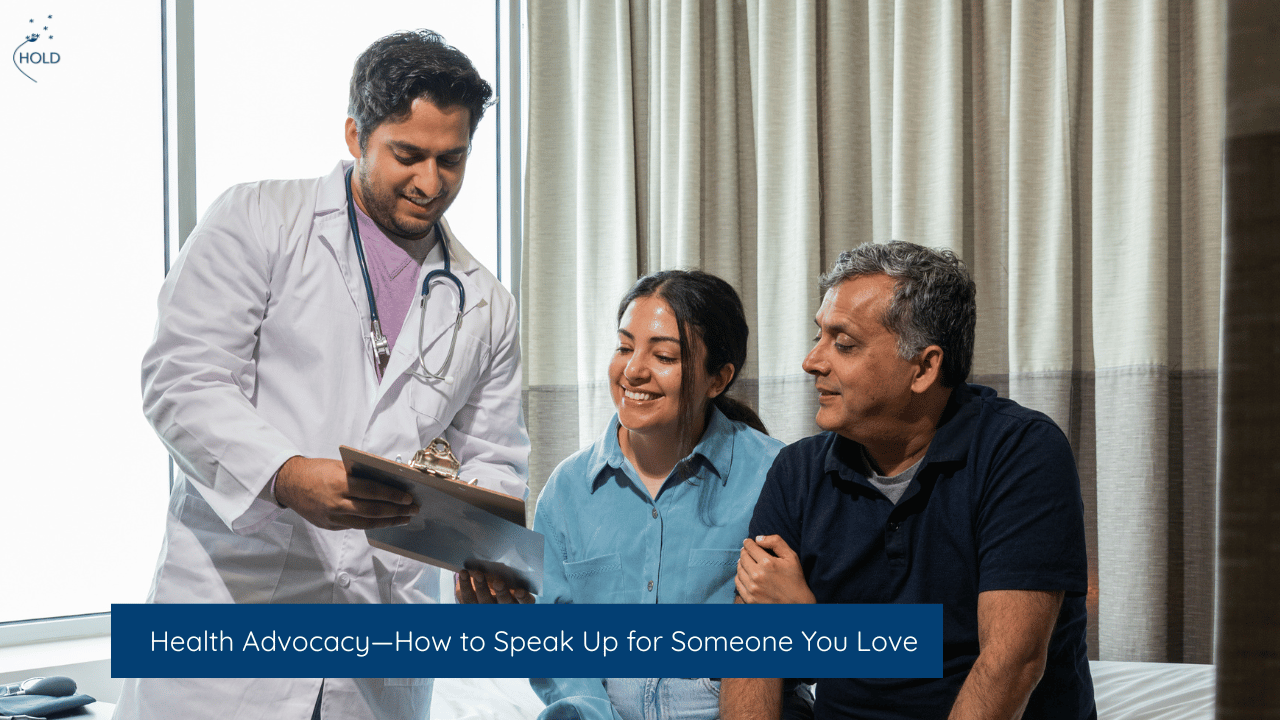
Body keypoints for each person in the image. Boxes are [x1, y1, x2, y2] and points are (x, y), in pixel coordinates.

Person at [114, 30, 529, 720]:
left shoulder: (486, 304)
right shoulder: (257, 222)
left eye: (451, 159)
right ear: (354, 134)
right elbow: (182, 382)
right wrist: (285, 475)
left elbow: (492, 460)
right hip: (231, 621)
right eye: (408, 155)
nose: (431, 183)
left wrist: (484, 559)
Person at [724, 242, 1095, 720]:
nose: (812, 361)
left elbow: (1011, 663)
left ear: (924, 367)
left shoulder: (1021, 452)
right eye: (819, 336)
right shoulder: (797, 471)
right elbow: (752, 650)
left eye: (844, 343)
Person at [458, 270, 797, 720]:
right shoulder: (567, 491)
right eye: (624, 347)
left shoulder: (776, 475)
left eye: (663, 355)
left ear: (718, 379)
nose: (633, 370)